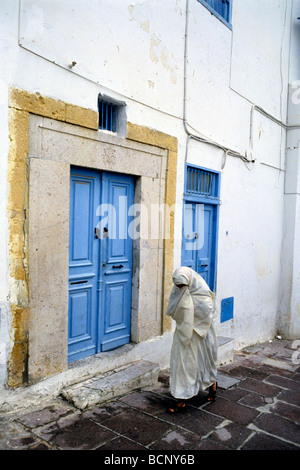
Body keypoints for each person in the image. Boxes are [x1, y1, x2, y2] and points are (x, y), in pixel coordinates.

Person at [166, 266, 218, 412]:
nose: (181, 289)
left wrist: (188, 315)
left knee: (204, 362)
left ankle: (212, 385)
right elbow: (175, 307)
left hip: (200, 335)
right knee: (182, 365)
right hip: (184, 336)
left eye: (183, 286)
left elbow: (205, 316)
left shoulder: (203, 297)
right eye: (178, 286)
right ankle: (182, 398)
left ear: (190, 282)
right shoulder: (180, 289)